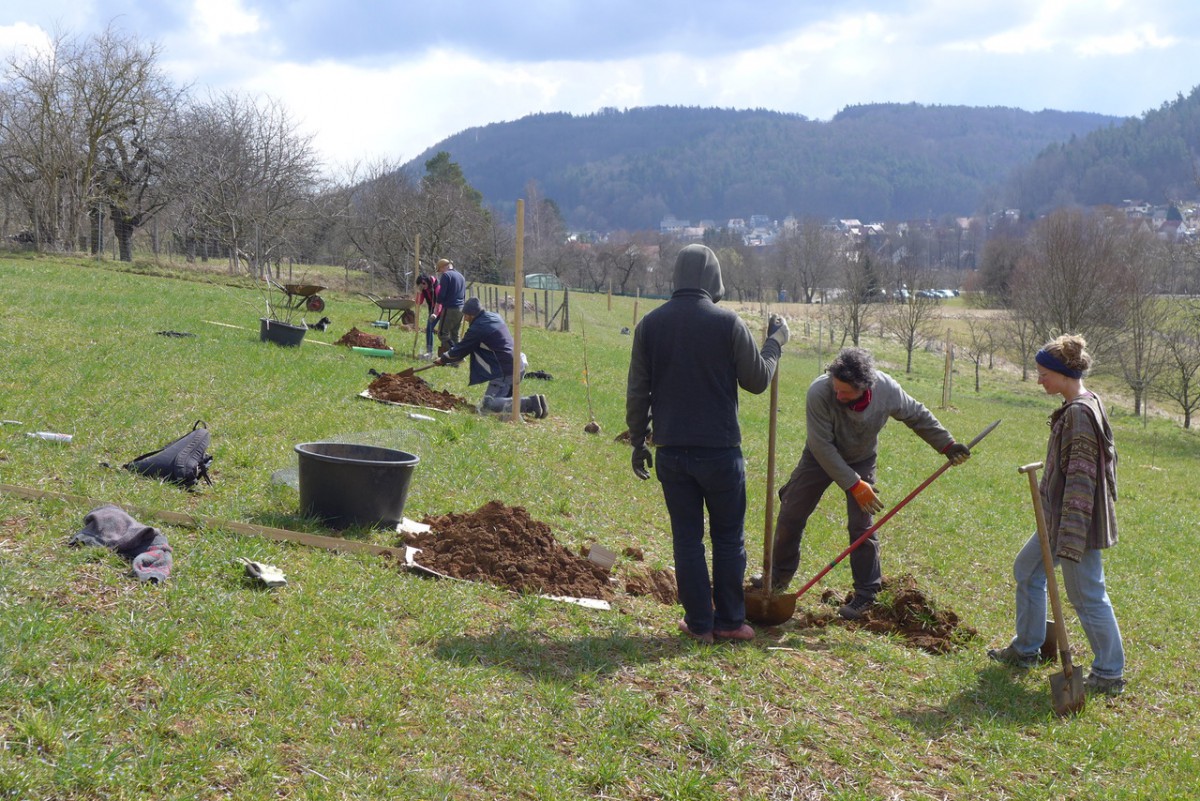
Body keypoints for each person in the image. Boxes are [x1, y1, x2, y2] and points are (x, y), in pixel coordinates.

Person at [626, 243, 788, 644]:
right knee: (728, 538)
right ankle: (732, 621)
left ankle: (700, 624)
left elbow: (637, 392)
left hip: (672, 453)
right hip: (720, 454)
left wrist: (637, 440)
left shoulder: (650, 325)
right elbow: (757, 380)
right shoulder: (727, 323)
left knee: (687, 539)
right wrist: (775, 343)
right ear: (713, 278)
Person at [762, 347, 971, 620]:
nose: (839, 395)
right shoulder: (819, 392)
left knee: (861, 525)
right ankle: (778, 578)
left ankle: (866, 594)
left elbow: (916, 415)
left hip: (861, 457)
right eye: (836, 389)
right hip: (819, 458)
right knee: (792, 511)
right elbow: (821, 446)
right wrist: (853, 484)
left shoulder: (887, 389)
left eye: (845, 392)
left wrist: (947, 444)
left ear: (865, 387)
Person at [988, 334, 1125, 696]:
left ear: (1063, 374)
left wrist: (1071, 535)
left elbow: (1083, 481)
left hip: (1074, 523)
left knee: (1087, 595)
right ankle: (1026, 648)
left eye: (1043, 373)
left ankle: (1109, 673)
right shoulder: (1082, 402)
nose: (1039, 380)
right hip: (1058, 518)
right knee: (1027, 570)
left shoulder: (1080, 414)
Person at [434, 297, 547, 418]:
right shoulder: (494, 316)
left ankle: (531, 403)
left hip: (505, 370)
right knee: (500, 408)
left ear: (472, 314)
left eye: (466, 315)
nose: (465, 319)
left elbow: (461, 348)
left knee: (488, 405)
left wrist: (443, 359)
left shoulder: (478, 328)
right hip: (517, 365)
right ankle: (536, 404)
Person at [434, 258, 466, 356]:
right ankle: (454, 361)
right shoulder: (461, 277)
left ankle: (457, 355)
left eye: (440, 270)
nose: (440, 273)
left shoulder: (446, 275)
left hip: (450, 308)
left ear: (444, 267)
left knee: (442, 334)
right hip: (461, 308)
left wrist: (437, 306)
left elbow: (442, 294)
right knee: (454, 335)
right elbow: (464, 294)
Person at [413, 273, 439, 359]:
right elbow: (418, 302)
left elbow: (440, 301)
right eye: (421, 285)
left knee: (443, 332)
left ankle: (446, 353)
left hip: (441, 309)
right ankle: (429, 352)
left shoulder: (436, 286)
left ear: (426, 281)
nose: (423, 286)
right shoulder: (423, 289)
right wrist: (418, 292)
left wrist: (436, 313)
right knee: (429, 328)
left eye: (423, 284)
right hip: (432, 310)